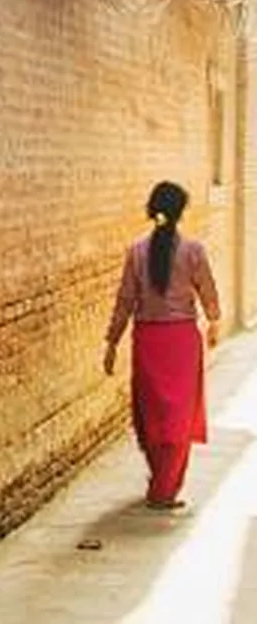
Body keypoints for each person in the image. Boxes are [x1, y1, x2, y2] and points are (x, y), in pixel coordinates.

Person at [104, 181, 221, 510]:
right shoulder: (193, 251)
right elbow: (208, 290)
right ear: (180, 212)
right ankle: (164, 488)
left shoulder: (136, 251)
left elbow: (125, 300)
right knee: (179, 416)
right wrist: (213, 321)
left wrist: (112, 341)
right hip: (182, 341)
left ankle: (160, 481)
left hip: (148, 341)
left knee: (152, 414)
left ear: (151, 210)